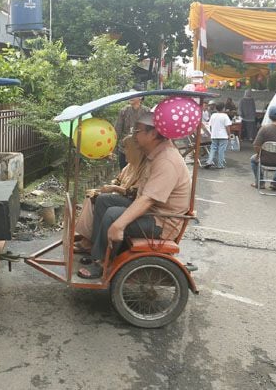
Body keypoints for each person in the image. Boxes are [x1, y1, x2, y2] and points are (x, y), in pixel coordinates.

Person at [78, 112, 191, 279]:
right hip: (152, 211)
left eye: (137, 131)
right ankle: (97, 250)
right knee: (104, 200)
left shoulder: (166, 160)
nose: (133, 135)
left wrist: (118, 225)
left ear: (152, 134)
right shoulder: (155, 153)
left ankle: (102, 262)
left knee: (113, 215)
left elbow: (148, 200)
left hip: (161, 221)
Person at [73, 135, 146, 252]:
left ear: (134, 150)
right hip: (123, 197)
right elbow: (118, 180)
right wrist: (111, 186)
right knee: (91, 196)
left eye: (127, 148)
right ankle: (87, 238)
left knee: (100, 200)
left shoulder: (144, 167)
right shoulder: (129, 166)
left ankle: (91, 242)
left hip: (133, 202)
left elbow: (135, 193)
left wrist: (115, 188)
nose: (124, 152)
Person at [114, 95, 149, 169]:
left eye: (134, 95)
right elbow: (117, 130)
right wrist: (112, 149)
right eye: (130, 95)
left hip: (141, 149)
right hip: (125, 149)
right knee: (124, 173)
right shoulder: (124, 111)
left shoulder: (147, 111)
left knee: (139, 174)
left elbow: (149, 131)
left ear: (140, 97)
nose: (131, 97)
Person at [204, 103, 232, 169]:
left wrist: (211, 133)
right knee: (221, 150)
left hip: (214, 135)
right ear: (223, 109)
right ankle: (220, 165)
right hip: (223, 135)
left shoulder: (213, 115)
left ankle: (209, 161)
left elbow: (210, 125)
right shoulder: (225, 116)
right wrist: (229, 134)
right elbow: (227, 126)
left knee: (213, 149)